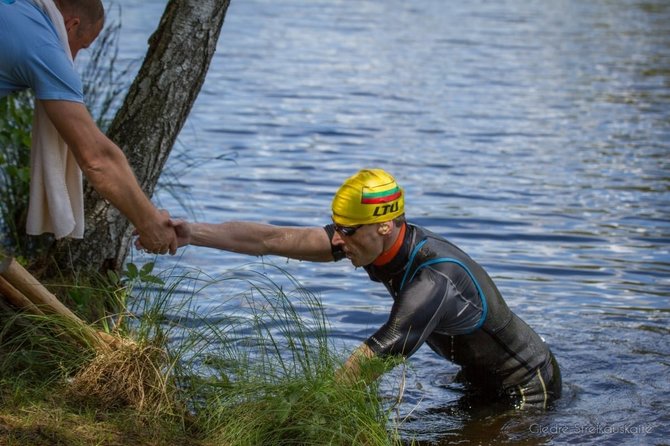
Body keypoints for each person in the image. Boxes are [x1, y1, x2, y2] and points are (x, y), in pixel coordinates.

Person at [161, 169, 562, 410]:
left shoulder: (437, 275)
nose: (337, 240)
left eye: (347, 231)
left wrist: (304, 406)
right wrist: (191, 233)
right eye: (335, 228)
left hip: (526, 386)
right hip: (475, 376)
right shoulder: (367, 243)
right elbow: (271, 238)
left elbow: (385, 347)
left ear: (384, 226)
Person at [0, 0, 176, 254]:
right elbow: (97, 158)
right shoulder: (45, 48)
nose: (73, 59)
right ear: (72, 25)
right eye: (81, 47)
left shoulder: (20, 8)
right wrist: (149, 221)